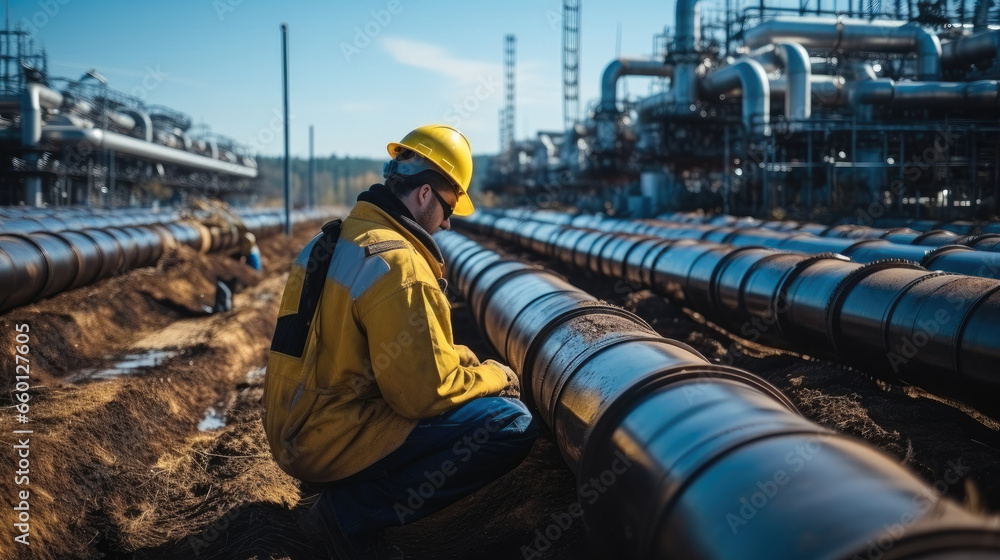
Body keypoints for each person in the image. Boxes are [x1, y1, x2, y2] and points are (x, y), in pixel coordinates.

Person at [262, 124, 537, 559]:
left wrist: (462, 359)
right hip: (327, 441)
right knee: (509, 421)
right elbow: (423, 395)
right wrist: (493, 375)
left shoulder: (328, 240)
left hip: (290, 429)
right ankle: (348, 515)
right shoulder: (399, 267)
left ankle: (352, 492)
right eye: (449, 207)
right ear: (425, 195)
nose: (448, 222)